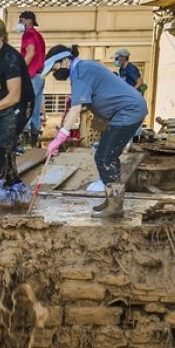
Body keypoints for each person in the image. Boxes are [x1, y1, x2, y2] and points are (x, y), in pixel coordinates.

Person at [43, 44, 148, 218]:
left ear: (65, 60)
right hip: (126, 111)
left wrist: (59, 138)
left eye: (55, 68)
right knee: (106, 155)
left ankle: (115, 205)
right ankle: (111, 201)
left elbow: (75, 109)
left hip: (128, 112)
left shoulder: (81, 72)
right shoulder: (84, 68)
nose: (55, 73)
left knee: (105, 156)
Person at [0, 15, 35, 206]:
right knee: (6, 149)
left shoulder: (10, 58)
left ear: (1, 36)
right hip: (3, 103)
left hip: (20, 104)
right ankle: (16, 190)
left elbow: (15, 96)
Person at [17, 10, 46, 147]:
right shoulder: (38, 35)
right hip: (40, 75)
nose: (19, 24)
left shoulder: (28, 34)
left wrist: (20, 70)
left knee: (27, 105)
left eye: (21, 21)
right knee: (35, 107)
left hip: (32, 75)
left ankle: (26, 138)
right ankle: (34, 139)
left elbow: (30, 52)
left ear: (28, 21)